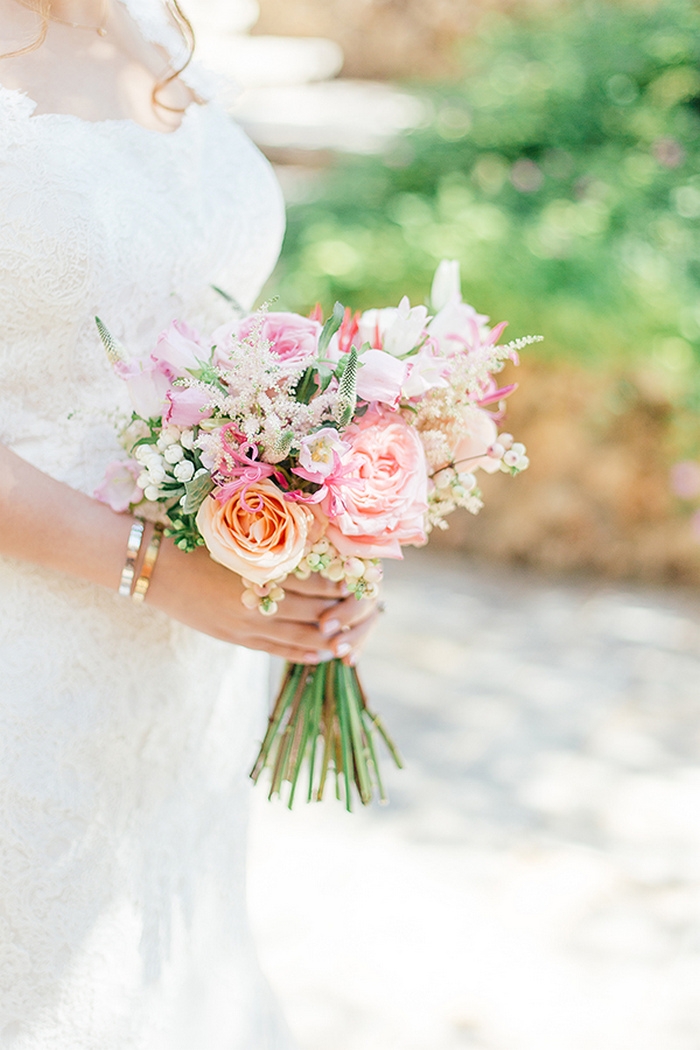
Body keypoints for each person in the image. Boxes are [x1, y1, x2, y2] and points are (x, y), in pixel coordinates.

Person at [0, 0, 377, 1044]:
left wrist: (314, 504)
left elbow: (185, 305)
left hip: (187, 668)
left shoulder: (149, 26)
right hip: (24, 657)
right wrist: (158, 570)